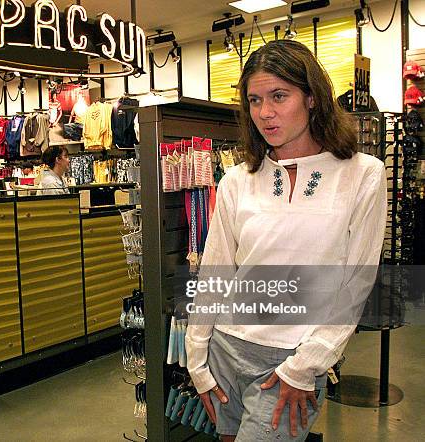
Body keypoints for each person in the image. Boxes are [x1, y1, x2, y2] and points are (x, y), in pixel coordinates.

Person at [185, 40, 386, 442]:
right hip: (226, 347)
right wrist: (196, 359)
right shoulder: (237, 181)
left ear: (312, 98)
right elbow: (216, 271)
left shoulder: (362, 174)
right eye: (255, 100)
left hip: (293, 358)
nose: (265, 112)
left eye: (279, 96)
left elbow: (356, 284)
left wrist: (306, 365)